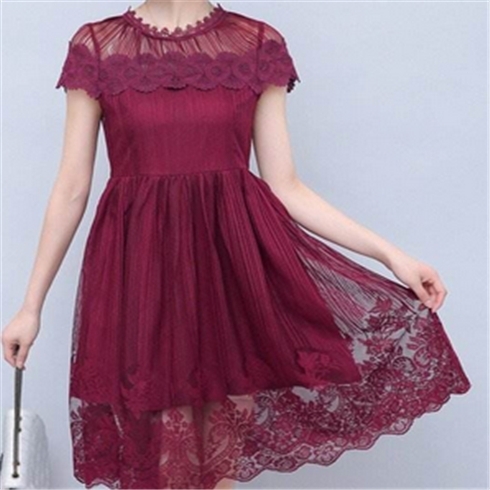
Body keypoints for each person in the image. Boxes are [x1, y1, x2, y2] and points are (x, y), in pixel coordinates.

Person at [1, 1, 471, 489]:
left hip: (229, 277)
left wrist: (392, 255)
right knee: (159, 465)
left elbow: (286, 186)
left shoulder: (257, 44)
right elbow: (71, 188)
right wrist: (30, 307)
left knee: (216, 469)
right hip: (142, 276)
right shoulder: (98, 47)